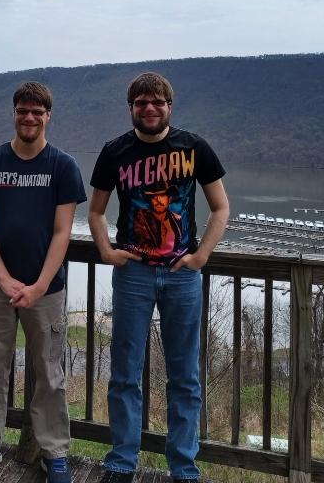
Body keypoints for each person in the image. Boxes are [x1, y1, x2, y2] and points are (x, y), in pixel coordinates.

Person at [88, 73, 229, 483]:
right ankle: (121, 462)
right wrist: (106, 251)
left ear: (170, 106)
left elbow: (220, 207)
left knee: (184, 375)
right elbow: (95, 211)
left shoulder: (194, 147)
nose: (149, 108)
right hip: (133, 274)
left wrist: (201, 255)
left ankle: (183, 467)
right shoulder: (115, 152)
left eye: (157, 102)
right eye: (141, 102)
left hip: (181, 276)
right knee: (124, 373)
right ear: (131, 107)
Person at [0, 82, 86, 483]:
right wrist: (7, 278)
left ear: (48, 116)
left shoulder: (62, 166)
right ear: (14, 113)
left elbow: (63, 232)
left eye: (37, 111)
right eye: (23, 110)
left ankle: (54, 452)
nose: (30, 117)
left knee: (49, 371)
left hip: (47, 290)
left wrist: (40, 284)